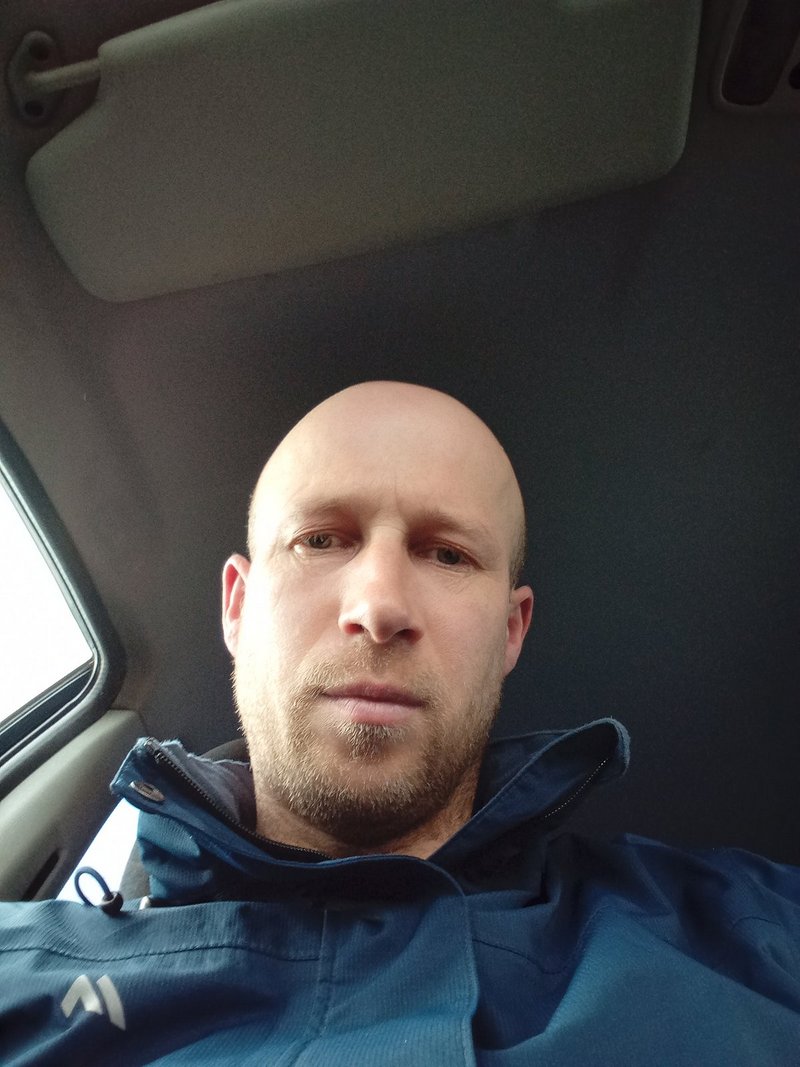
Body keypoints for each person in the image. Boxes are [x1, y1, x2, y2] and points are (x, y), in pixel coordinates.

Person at [1, 381, 798, 1064]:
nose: (378, 605)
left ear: (511, 631)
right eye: (319, 539)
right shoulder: (21, 976)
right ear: (237, 608)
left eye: (448, 554)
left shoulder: (753, 936)